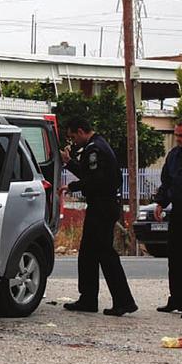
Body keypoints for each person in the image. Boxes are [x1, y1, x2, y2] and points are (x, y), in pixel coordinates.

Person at [60, 117, 137, 316]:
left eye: (73, 137)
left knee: (105, 254)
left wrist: (72, 186)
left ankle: (124, 301)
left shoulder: (95, 149)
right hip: (102, 205)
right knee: (88, 254)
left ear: (80, 131)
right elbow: (90, 174)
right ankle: (88, 298)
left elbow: (95, 180)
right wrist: (69, 163)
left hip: (102, 206)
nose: (73, 141)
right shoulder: (97, 146)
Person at [153, 118, 182, 318]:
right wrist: (160, 203)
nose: (178, 139)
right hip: (179, 213)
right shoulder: (175, 155)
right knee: (175, 258)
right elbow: (167, 182)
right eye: (176, 135)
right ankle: (177, 298)